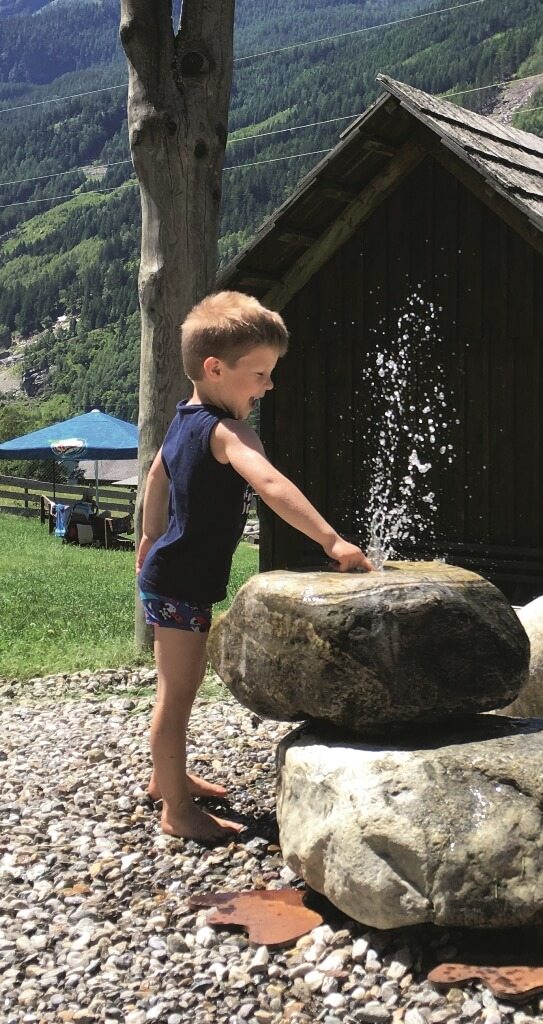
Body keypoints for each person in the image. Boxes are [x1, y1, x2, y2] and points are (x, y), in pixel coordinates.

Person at [136, 291, 373, 841]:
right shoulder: (229, 432)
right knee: (177, 695)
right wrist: (333, 541)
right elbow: (269, 484)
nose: (268, 385)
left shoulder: (184, 418)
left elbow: (156, 475)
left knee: (173, 687)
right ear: (215, 369)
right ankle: (175, 810)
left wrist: (149, 535)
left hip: (169, 574)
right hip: (180, 584)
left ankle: (164, 778)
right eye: (260, 373)